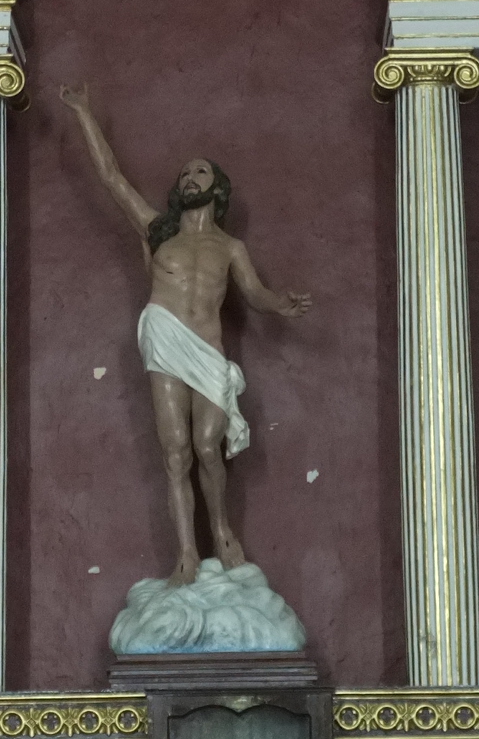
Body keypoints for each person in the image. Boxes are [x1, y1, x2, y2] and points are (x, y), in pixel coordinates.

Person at [57, 85, 314, 585]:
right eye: (184, 174)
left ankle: (221, 529)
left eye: (200, 172)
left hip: (207, 349)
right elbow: (111, 179)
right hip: (164, 335)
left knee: (207, 444)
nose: (189, 178)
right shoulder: (158, 231)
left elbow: (254, 293)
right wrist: (84, 112)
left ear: (217, 187)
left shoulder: (230, 247)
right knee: (174, 450)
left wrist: (279, 303)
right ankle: (187, 553)